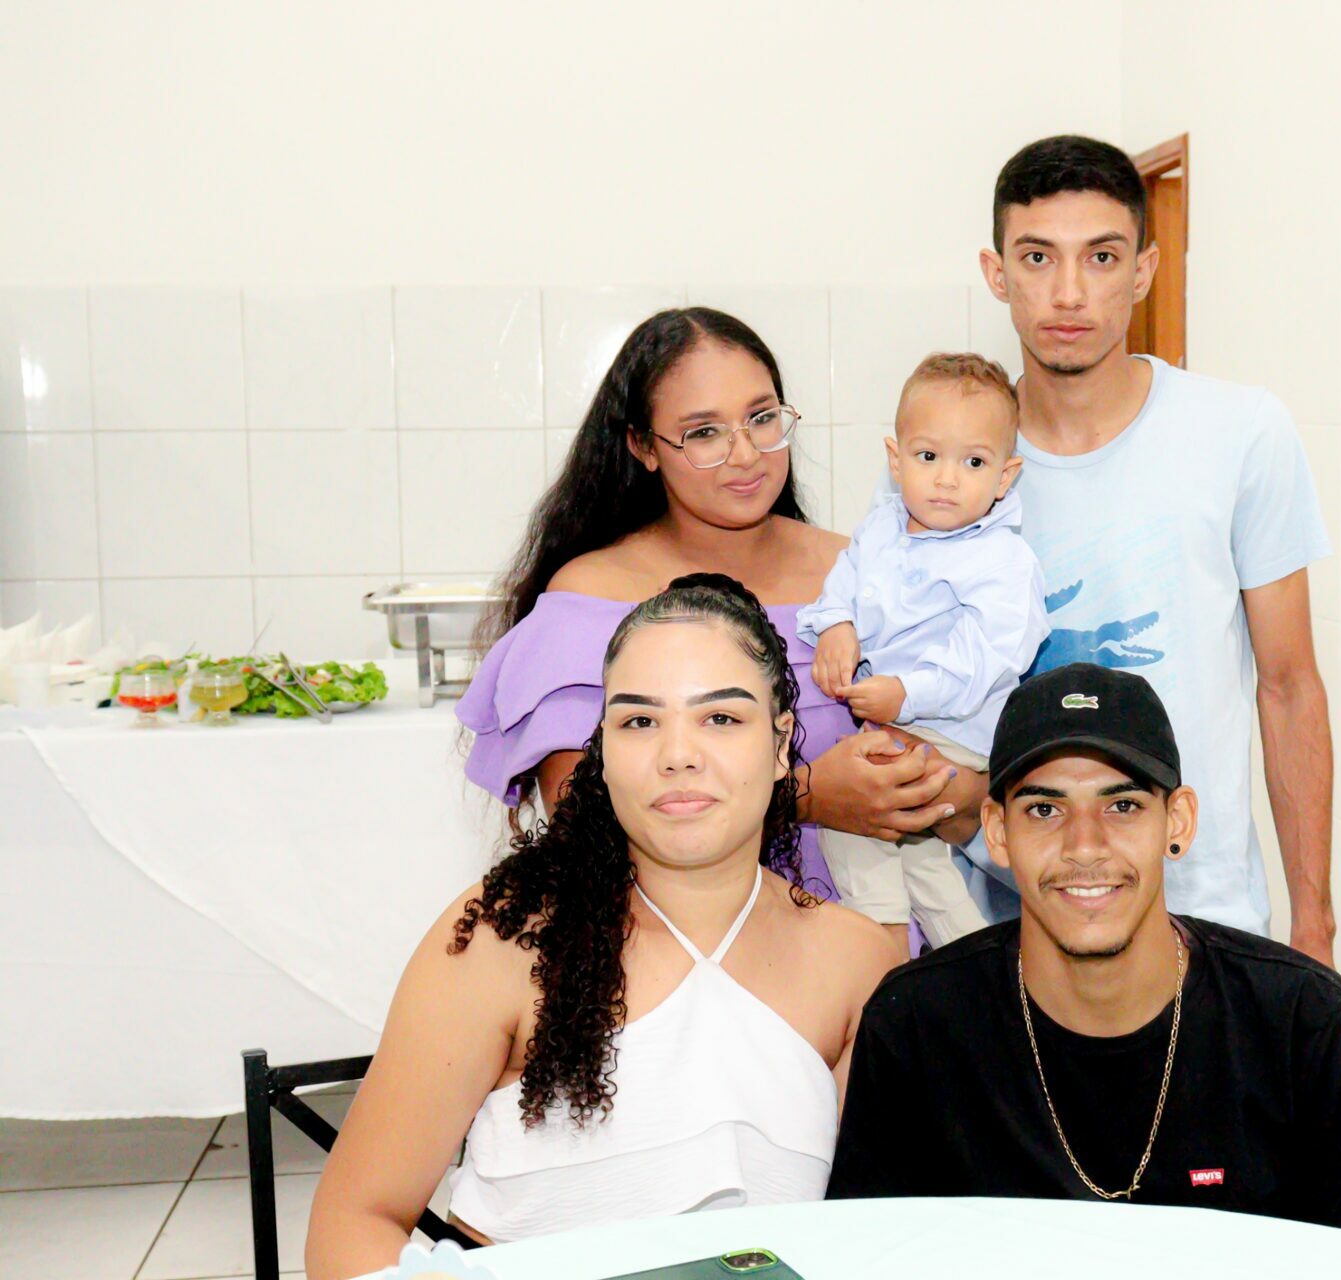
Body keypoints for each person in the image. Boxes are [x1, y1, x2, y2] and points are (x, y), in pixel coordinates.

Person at [307, 578, 901, 1280]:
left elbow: (877, 1232)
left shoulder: (856, 960)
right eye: (639, 721)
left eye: (720, 718)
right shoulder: (505, 940)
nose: (677, 754)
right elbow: (352, 1225)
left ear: (780, 747)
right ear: (604, 752)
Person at [826, 663, 1341, 1240]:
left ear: (1178, 822)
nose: (1085, 846)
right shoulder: (916, 1024)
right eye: (1044, 809)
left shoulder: (1300, 1015)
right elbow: (867, 1257)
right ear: (999, 831)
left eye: (1122, 806)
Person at [456, 306, 980, 901]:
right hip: (676, 938)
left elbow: (971, 759)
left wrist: (944, 789)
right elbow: (582, 820)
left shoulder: (864, 570)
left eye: (761, 418)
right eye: (704, 432)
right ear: (643, 446)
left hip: (879, 934)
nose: (746, 454)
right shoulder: (590, 599)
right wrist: (805, 796)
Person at [963, 135, 1337, 961]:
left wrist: (1314, 924)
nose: (1068, 292)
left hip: (1203, 916)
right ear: (997, 274)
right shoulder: (952, 465)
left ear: (1143, 270)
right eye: (1037, 257)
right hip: (1002, 922)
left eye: (1101, 257)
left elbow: (1289, 687)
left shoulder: (1240, 433)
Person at [799, 353, 1048, 952]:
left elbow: (988, 657)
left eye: (974, 462)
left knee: (857, 815)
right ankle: (970, 960)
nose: (946, 479)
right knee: (923, 859)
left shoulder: (1002, 560)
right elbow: (843, 583)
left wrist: (907, 693)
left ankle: (883, 949)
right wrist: (836, 626)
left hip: (954, 727)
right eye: (928, 456)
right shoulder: (881, 528)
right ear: (896, 459)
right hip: (906, 722)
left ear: (1005, 476)